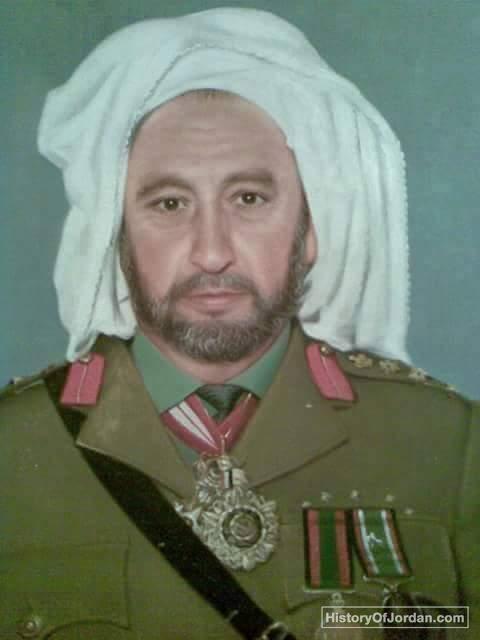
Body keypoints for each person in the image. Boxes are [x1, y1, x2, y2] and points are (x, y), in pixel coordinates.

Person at [0, 8, 478, 640]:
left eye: (248, 199)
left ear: (311, 230)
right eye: (170, 204)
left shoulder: (448, 446)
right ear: (114, 238)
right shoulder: (13, 449)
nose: (211, 252)